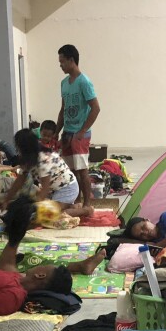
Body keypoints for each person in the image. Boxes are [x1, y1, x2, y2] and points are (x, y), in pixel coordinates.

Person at [2, 128, 93, 218]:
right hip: (53, 190)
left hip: (68, 188)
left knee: (50, 216)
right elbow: (19, 181)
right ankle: (70, 206)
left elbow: (45, 189)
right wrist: (7, 200)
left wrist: (38, 209)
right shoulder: (27, 160)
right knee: (38, 211)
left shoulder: (43, 159)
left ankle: (86, 210)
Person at [56, 44, 100, 209]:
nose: (60, 65)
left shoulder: (84, 82)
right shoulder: (64, 83)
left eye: (62, 61)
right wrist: (57, 132)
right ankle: (75, 201)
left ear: (71, 60)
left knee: (82, 171)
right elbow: (63, 109)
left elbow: (96, 108)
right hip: (67, 132)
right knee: (70, 172)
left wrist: (82, 131)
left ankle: (87, 204)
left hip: (79, 134)